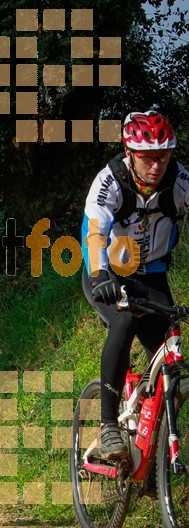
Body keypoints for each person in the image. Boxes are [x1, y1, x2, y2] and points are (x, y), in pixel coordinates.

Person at [81, 110, 189, 460]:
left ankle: (155, 449)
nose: (156, 166)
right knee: (124, 321)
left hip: (153, 276)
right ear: (130, 153)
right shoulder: (110, 180)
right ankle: (109, 425)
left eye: (164, 156)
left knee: (170, 357)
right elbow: (94, 231)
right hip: (109, 274)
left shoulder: (181, 181)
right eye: (147, 158)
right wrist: (100, 278)